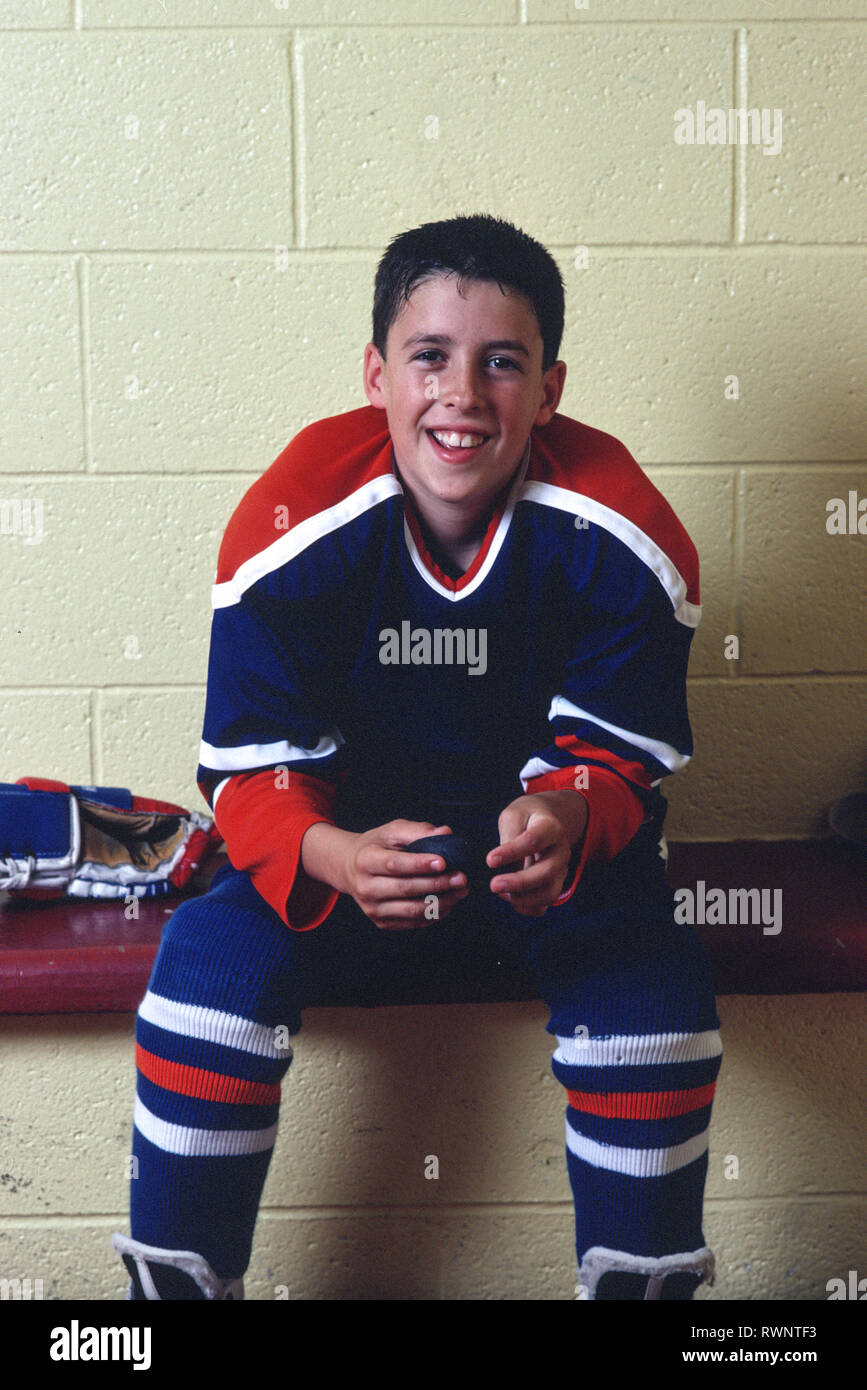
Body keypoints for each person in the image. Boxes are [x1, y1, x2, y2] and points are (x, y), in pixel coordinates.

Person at [111, 213, 722, 1302]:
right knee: (208, 977)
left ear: (551, 389)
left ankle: (647, 1292)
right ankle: (175, 1298)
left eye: (503, 363)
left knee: (654, 992)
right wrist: (329, 851)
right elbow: (253, 772)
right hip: (346, 847)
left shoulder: (623, 530)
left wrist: (571, 817)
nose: (463, 393)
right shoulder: (291, 521)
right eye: (429, 356)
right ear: (376, 374)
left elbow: (618, 762)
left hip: (540, 862)